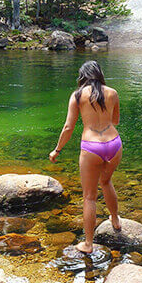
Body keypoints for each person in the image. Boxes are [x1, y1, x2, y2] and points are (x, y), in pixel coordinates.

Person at [49, 60, 122, 253]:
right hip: (114, 144)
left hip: (91, 147)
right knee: (106, 182)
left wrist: (57, 150)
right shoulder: (112, 93)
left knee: (89, 197)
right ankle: (115, 220)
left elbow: (68, 127)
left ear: (82, 76)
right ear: (100, 74)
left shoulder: (77, 95)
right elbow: (116, 120)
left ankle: (88, 244)